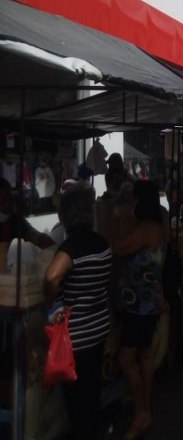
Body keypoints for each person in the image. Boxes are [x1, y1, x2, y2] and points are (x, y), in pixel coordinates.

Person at [43, 185, 112, 440]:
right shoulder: (102, 243)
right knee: (92, 392)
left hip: (77, 337)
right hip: (99, 328)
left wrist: (51, 302)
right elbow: (106, 279)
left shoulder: (71, 249)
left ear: (66, 216)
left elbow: (51, 277)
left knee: (77, 401)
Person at [113, 180, 167, 440]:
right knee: (145, 357)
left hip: (139, 306)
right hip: (151, 303)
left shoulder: (143, 229)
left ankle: (141, 412)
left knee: (126, 358)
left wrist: (122, 217)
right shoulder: (158, 226)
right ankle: (145, 410)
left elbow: (117, 248)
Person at [0, 177, 54, 249]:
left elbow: (37, 237)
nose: (7, 204)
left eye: (9, 199)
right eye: (2, 201)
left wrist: (57, 250)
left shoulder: (15, 221)